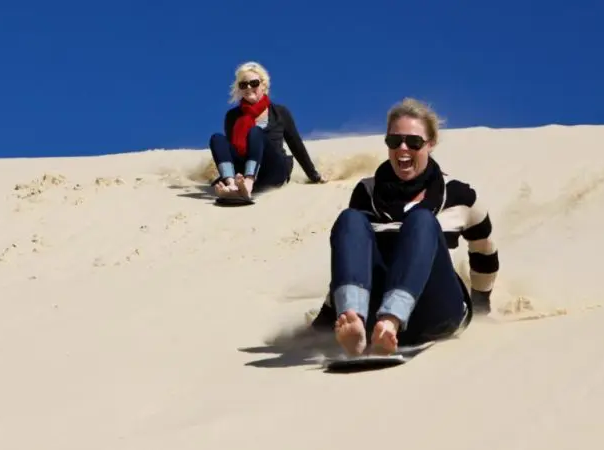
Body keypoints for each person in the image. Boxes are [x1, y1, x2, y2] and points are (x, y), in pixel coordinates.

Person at [308, 98, 500, 356]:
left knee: (422, 221)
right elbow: (353, 255)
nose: (403, 148)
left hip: (437, 310)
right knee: (349, 219)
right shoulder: (367, 192)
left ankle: (392, 321)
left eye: (414, 142)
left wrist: (482, 304)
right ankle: (356, 322)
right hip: (374, 311)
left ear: (430, 144)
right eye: (394, 141)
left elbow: (484, 250)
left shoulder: (459, 195)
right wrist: (325, 321)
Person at [208, 61, 326, 200]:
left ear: (264, 85)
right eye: (243, 84)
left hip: (274, 170)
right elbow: (230, 151)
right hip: (243, 169)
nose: (248, 87)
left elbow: (296, 145)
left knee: (255, 132)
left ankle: (248, 184)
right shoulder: (233, 116)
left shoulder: (280, 112)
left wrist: (314, 175)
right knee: (217, 138)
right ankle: (232, 185)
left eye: (254, 83)